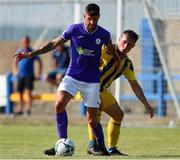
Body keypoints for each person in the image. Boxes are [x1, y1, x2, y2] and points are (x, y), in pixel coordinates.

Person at [14, 3, 116, 156]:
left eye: (95, 19)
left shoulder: (104, 34)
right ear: (84, 16)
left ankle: (101, 147)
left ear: (99, 17)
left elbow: (112, 51)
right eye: (89, 19)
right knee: (59, 104)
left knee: (92, 120)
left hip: (92, 81)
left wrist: (111, 60)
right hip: (73, 76)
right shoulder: (73, 29)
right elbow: (53, 44)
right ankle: (61, 143)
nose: (92, 22)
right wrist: (31, 54)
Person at [86, 30, 154, 155]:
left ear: (133, 46)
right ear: (118, 40)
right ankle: (93, 144)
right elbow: (86, 53)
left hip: (101, 90)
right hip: (87, 86)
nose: (126, 46)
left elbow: (134, 85)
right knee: (97, 107)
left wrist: (146, 104)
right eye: (124, 42)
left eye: (129, 44)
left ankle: (112, 148)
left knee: (118, 115)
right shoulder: (104, 49)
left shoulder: (126, 64)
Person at [13, 36, 42, 115]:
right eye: (23, 42)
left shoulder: (32, 52)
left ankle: (28, 110)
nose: (25, 43)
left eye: (26, 42)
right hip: (20, 76)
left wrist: (38, 73)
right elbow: (15, 61)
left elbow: (39, 61)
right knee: (20, 93)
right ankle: (20, 110)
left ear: (28, 42)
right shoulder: (19, 51)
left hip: (29, 75)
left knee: (28, 93)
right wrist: (15, 70)